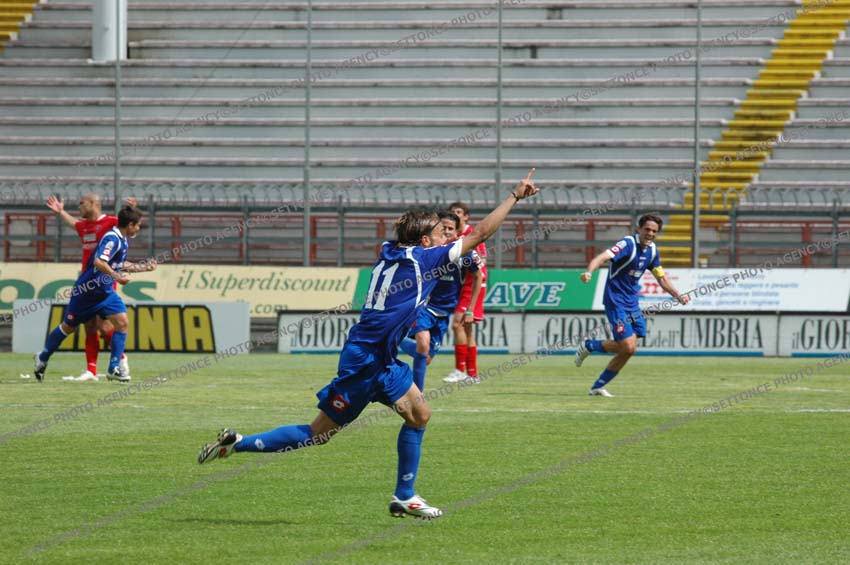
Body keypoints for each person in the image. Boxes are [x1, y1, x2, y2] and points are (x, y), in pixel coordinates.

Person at [197, 170, 539, 520]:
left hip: (381, 358)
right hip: (364, 362)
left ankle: (405, 496)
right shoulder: (424, 260)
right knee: (317, 434)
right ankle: (239, 443)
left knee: (420, 415)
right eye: (441, 233)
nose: (448, 237)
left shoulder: (391, 251)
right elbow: (480, 234)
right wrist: (514, 196)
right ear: (424, 241)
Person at [34, 206, 156, 383]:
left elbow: (120, 264)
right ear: (130, 225)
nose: (138, 228)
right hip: (87, 293)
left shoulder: (122, 239)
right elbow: (99, 261)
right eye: (138, 225)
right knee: (68, 327)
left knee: (122, 322)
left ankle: (114, 368)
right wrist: (116, 276)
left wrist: (144, 268)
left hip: (105, 293)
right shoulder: (112, 238)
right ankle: (43, 357)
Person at [574, 212, 689, 397]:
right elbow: (601, 257)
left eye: (654, 231)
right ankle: (590, 347)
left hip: (632, 303)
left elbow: (661, 277)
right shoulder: (627, 244)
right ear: (639, 228)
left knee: (629, 349)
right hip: (615, 300)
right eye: (647, 229)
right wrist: (589, 272)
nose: (650, 234)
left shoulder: (652, 251)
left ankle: (597, 383)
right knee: (627, 346)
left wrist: (677, 295)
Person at [46, 193, 136, 381]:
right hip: (87, 282)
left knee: (105, 325)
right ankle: (91, 370)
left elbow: (129, 225)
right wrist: (61, 212)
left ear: (94, 203)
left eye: (82, 203)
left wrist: (132, 209)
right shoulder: (85, 226)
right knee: (90, 326)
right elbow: (74, 223)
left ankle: (119, 359)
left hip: (104, 282)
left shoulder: (111, 223)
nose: (79, 206)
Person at [398, 210, 480, 391]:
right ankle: (417, 394)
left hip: (444, 312)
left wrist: (470, 308)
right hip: (425, 306)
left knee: (425, 358)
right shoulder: (427, 251)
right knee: (423, 341)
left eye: (451, 228)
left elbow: (478, 277)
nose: (447, 232)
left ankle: (396, 341)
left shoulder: (464, 255)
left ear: (457, 233)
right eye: (443, 228)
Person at [443, 201, 487, 384]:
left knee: (457, 324)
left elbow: (482, 259)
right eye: (453, 212)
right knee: (466, 329)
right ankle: (472, 374)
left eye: (459, 212)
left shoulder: (471, 233)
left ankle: (460, 370)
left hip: (473, 283)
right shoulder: (453, 234)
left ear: (466, 216)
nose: (456, 214)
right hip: (464, 284)